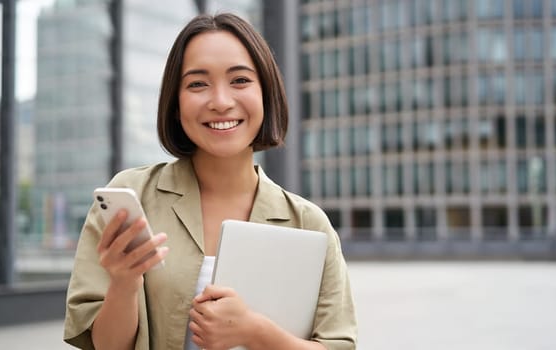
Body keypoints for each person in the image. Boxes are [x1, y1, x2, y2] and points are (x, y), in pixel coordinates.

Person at [63, 13, 357, 350]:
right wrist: (123, 282)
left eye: (240, 81)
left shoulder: (308, 224)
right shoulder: (132, 196)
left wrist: (254, 331)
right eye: (197, 84)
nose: (220, 102)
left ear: (266, 92)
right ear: (175, 104)